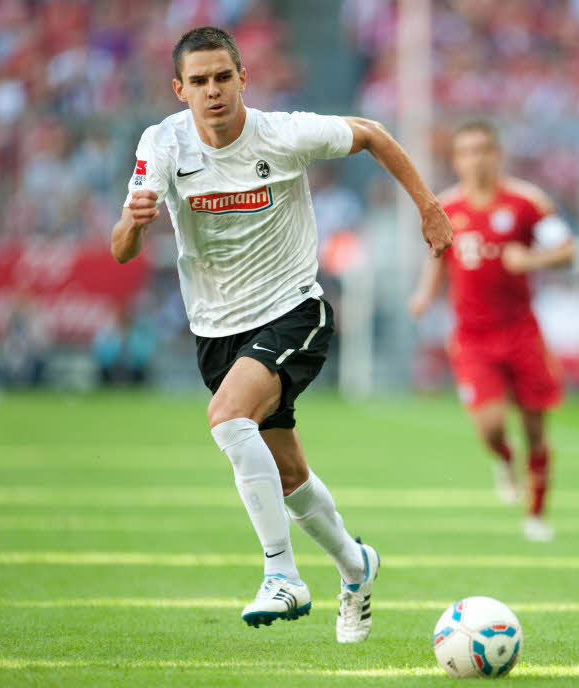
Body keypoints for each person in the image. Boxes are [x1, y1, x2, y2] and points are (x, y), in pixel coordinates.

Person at [110, 27, 452, 641]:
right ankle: (356, 566)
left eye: (223, 77)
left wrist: (428, 206)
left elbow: (372, 134)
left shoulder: (284, 133)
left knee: (226, 417)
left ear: (243, 78)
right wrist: (133, 225)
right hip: (216, 330)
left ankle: (282, 575)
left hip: (294, 309)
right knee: (287, 473)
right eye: (199, 81)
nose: (213, 91)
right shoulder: (163, 143)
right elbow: (121, 252)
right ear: (179, 89)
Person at [409, 120, 574, 542]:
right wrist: (426, 294)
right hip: (472, 337)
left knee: (537, 428)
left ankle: (536, 515)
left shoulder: (526, 202)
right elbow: (438, 257)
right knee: (491, 426)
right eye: (467, 151)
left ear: (496, 154)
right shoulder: (444, 207)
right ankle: (503, 458)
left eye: (483, 149)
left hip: (521, 331)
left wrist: (533, 261)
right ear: (456, 160)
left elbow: (567, 250)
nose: (476, 158)